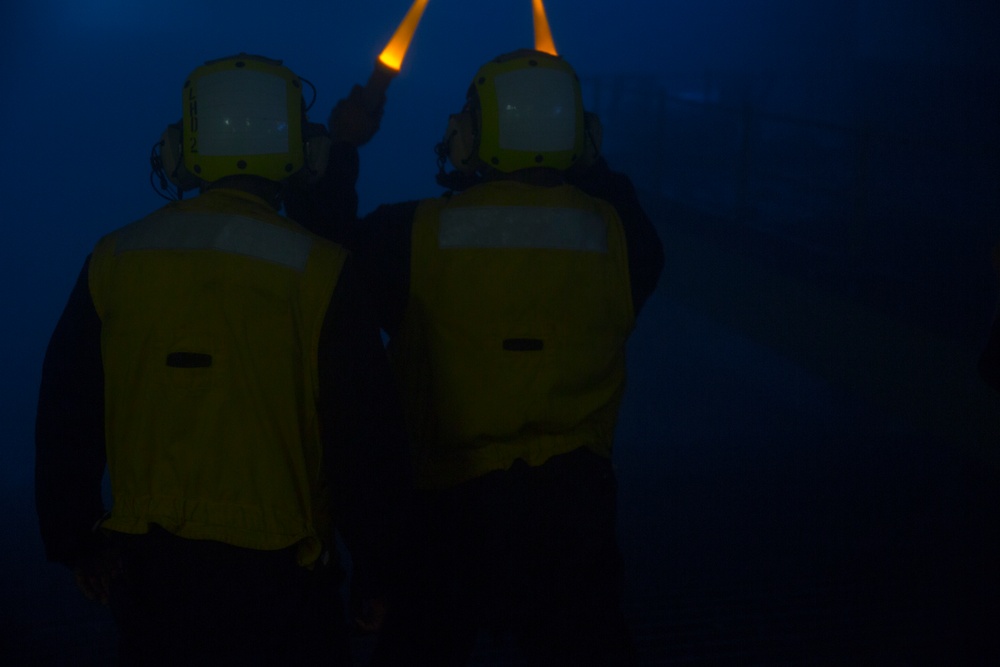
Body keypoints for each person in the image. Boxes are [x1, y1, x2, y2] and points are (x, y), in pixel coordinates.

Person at [288, 48, 664, 666]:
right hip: (576, 514)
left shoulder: (410, 236)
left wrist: (342, 148)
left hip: (444, 516)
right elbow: (622, 214)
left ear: (469, 136)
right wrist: (593, 165)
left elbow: (324, 263)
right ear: (582, 136)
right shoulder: (623, 239)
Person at [35, 53, 409, 665]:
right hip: (285, 580)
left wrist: (77, 541)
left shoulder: (114, 259)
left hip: (148, 576)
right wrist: (379, 570)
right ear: (300, 152)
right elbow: (365, 443)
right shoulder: (321, 270)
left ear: (182, 149)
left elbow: (66, 411)